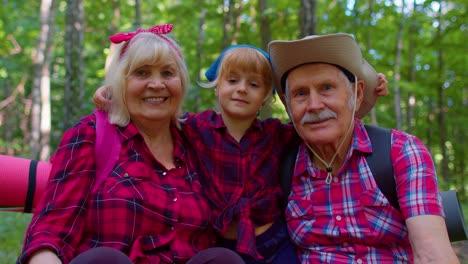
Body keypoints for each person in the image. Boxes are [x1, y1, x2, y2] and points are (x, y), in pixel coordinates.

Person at [94, 43, 389, 263]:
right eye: (232, 81)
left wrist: (368, 98)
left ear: (265, 96)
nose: (241, 90)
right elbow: (151, 113)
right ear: (217, 86)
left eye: (254, 84)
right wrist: (111, 94)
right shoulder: (194, 129)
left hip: (274, 240)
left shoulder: (277, 134)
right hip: (222, 242)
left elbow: (324, 120)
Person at [17, 24, 244, 264]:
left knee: (223, 259)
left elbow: (251, 132)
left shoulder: (199, 139)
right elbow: (52, 229)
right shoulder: (93, 133)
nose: (157, 84)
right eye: (142, 73)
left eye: (167, 73)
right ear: (120, 82)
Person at [268, 33, 460, 263]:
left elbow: (431, 253)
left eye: (327, 87)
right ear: (287, 105)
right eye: (300, 93)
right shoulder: (278, 161)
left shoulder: (401, 152)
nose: (314, 105)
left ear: (357, 94)